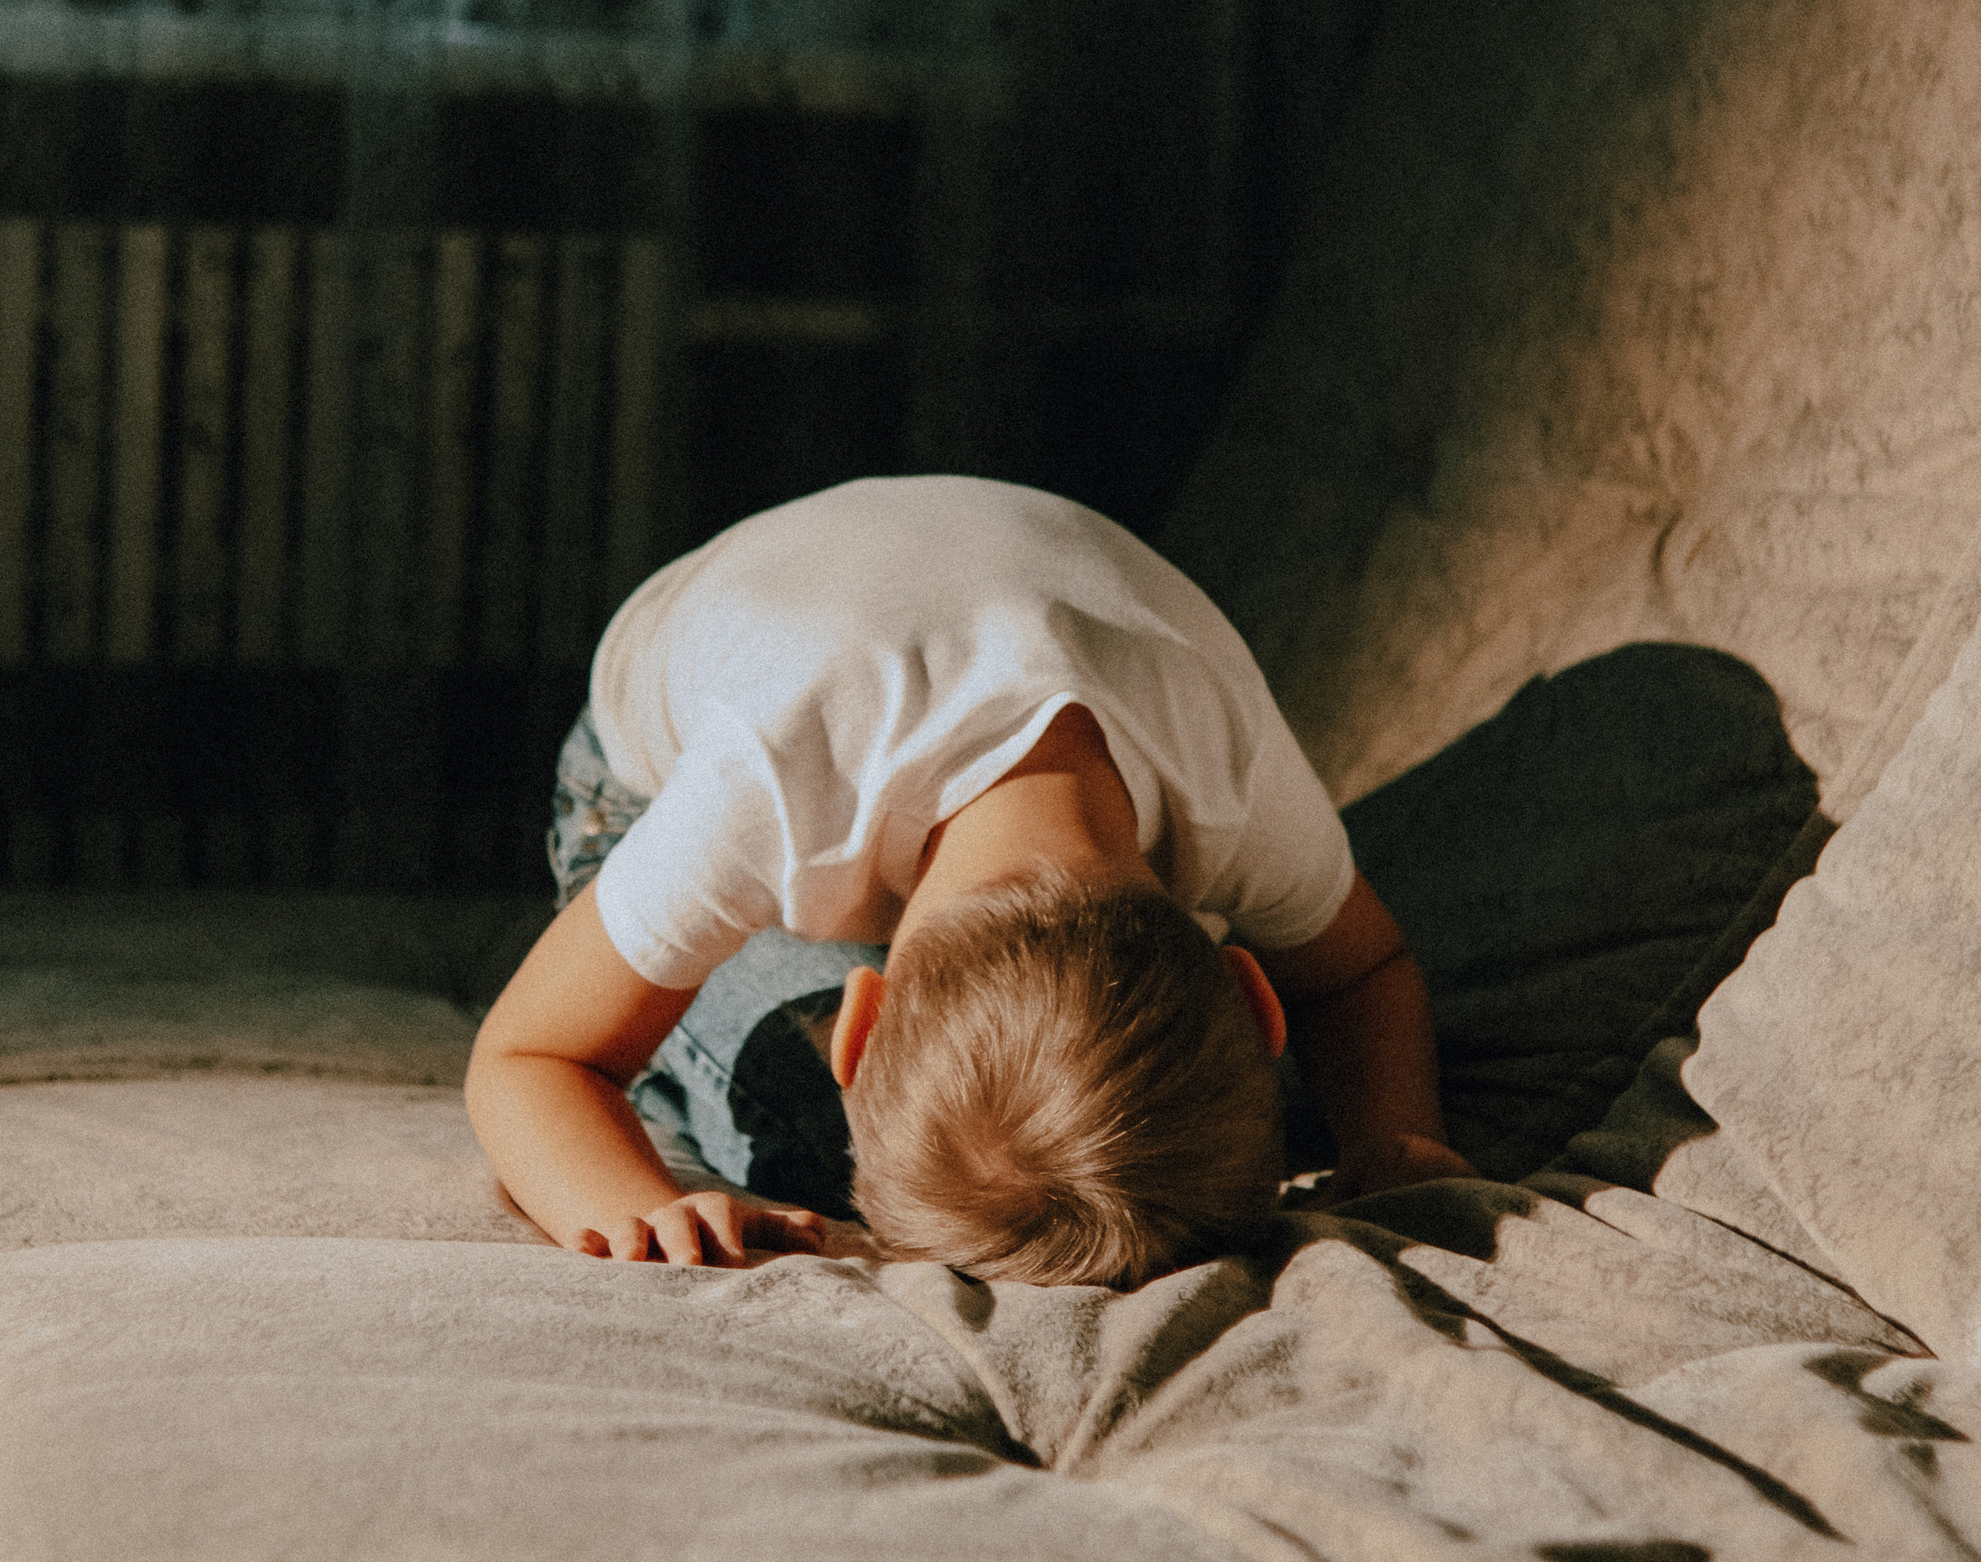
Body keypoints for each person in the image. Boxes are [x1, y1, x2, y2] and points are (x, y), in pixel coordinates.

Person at [465, 475, 1467, 1285]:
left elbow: (1361, 969)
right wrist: (634, 1206)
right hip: (649, 764)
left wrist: (1393, 1134)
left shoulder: (1234, 766)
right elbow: (528, 1057)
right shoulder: (763, 789)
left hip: (937, 610)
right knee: (817, 1139)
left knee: (1068, 1142)